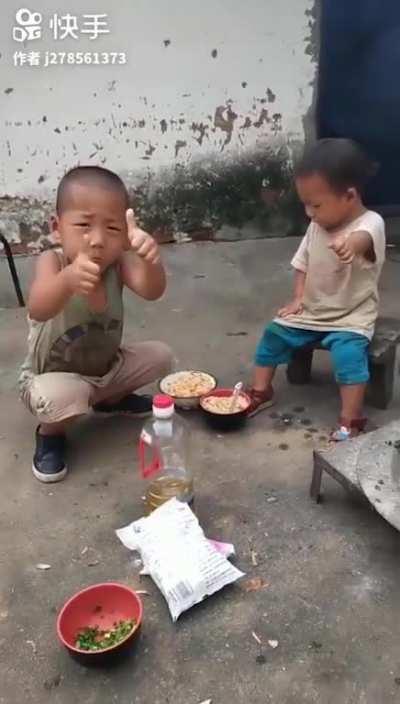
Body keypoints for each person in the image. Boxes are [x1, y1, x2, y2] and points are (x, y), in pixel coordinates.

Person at [19, 166, 173, 482]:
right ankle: (51, 434)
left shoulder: (118, 265)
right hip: (54, 377)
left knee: (161, 356)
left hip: (106, 370)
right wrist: (66, 281)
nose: (99, 240)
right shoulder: (53, 261)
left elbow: (152, 291)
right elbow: (38, 306)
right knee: (58, 396)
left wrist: (150, 260)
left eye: (113, 228)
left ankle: (108, 400)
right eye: (84, 225)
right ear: (57, 227)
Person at [247, 138, 386, 440]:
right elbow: (302, 265)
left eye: (316, 204)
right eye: (305, 204)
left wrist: (351, 244)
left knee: (349, 358)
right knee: (272, 333)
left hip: (351, 315)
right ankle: (260, 391)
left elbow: (364, 238)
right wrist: (298, 298)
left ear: (349, 195)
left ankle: (351, 418)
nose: (309, 212)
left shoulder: (371, 222)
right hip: (312, 309)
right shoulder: (316, 226)